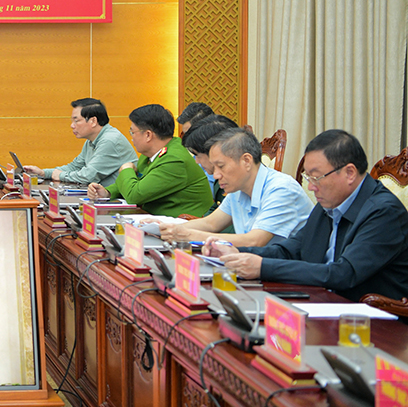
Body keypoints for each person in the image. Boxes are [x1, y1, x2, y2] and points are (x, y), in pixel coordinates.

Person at [209, 130, 408, 302]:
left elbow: (343, 273)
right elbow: (290, 250)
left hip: (372, 320)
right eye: (308, 177)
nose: (311, 187)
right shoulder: (330, 202)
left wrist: (262, 267)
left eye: (316, 177)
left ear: (349, 173)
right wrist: (236, 253)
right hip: (322, 301)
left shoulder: (384, 212)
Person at [160, 128, 313, 247]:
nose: (216, 175)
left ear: (246, 161)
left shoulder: (281, 189)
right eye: (214, 167)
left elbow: (254, 241)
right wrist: (168, 229)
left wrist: (188, 235)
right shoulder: (238, 188)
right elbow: (210, 223)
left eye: (221, 166)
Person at [88, 104, 213, 218]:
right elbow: (139, 181)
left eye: (132, 132)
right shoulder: (153, 152)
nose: (131, 138)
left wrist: (126, 169)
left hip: (184, 227)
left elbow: (134, 195)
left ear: (148, 135)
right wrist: (107, 192)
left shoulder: (174, 160)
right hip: (155, 221)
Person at [23, 98, 136, 186]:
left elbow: (88, 176)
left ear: (93, 121)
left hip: (119, 201)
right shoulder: (92, 140)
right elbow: (75, 167)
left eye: (76, 121)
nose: (72, 125)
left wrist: (60, 175)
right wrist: (43, 173)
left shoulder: (110, 140)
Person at [181, 115, 241, 211]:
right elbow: (216, 212)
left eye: (198, 155)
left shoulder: (241, 181)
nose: (196, 161)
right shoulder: (220, 177)